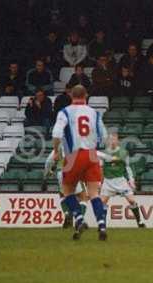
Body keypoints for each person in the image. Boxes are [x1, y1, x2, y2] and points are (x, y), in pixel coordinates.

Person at [52, 85, 108, 241]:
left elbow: (56, 133)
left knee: (67, 190)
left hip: (73, 156)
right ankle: (102, 225)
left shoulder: (64, 112)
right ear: (86, 96)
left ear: (71, 95)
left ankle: (78, 218)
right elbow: (104, 136)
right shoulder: (95, 113)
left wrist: (56, 150)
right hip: (91, 154)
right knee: (94, 194)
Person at [101, 132, 146, 228]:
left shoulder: (123, 152)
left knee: (131, 201)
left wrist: (131, 180)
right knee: (102, 203)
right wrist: (99, 181)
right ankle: (103, 225)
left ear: (117, 141)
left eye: (114, 139)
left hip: (120, 180)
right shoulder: (104, 153)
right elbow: (100, 167)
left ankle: (140, 222)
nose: (112, 141)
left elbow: (128, 167)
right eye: (110, 139)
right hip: (108, 181)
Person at [44, 147, 89, 229]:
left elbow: (48, 161)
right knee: (83, 197)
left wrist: (47, 172)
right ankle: (80, 220)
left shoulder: (59, 146)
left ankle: (67, 213)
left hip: (61, 173)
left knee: (63, 195)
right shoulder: (76, 144)